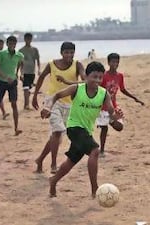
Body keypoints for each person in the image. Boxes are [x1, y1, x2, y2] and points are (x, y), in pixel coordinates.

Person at [40, 61, 123, 198]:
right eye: (94, 77)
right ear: (86, 77)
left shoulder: (104, 94)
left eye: (100, 78)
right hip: (74, 127)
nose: (97, 80)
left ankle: (53, 181)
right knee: (95, 150)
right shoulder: (77, 89)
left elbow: (111, 114)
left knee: (71, 161)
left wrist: (116, 117)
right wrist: (48, 107)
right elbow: (56, 95)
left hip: (87, 131)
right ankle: (94, 189)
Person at [32, 41, 85, 174]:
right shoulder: (52, 64)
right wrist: (34, 96)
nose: (69, 55)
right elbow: (41, 78)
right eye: (66, 52)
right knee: (58, 131)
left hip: (69, 104)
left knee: (57, 136)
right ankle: (53, 164)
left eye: (71, 52)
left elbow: (85, 81)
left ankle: (40, 159)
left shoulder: (77, 65)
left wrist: (68, 82)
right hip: (52, 101)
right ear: (61, 53)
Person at [96, 53, 144, 157]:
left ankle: (109, 120)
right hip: (102, 107)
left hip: (113, 106)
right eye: (113, 62)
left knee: (119, 127)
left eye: (117, 62)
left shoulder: (119, 76)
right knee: (104, 128)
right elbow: (98, 90)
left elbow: (122, 89)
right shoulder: (104, 75)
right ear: (108, 63)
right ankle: (102, 150)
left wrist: (134, 98)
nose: (115, 64)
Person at [0, 35, 24, 136]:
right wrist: (6, 77)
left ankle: (16, 128)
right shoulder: (2, 54)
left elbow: (20, 64)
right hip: (1, 81)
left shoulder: (19, 55)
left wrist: (19, 74)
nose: (12, 45)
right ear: (7, 44)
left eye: (14, 43)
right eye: (10, 43)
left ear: (16, 44)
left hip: (13, 82)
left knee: (14, 104)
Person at [19, 32, 40, 110]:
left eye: (29, 39)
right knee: (26, 88)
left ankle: (27, 101)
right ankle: (26, 105)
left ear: (31, 39)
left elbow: (37, 60)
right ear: (24, 39)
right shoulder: (21, 50)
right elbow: (20, 63)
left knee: (29, 88)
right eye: (27, 39)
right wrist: (20, 73)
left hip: (32, 73)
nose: (28, 40)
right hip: (25, 72)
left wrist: (39, 70)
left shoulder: (34, 50)